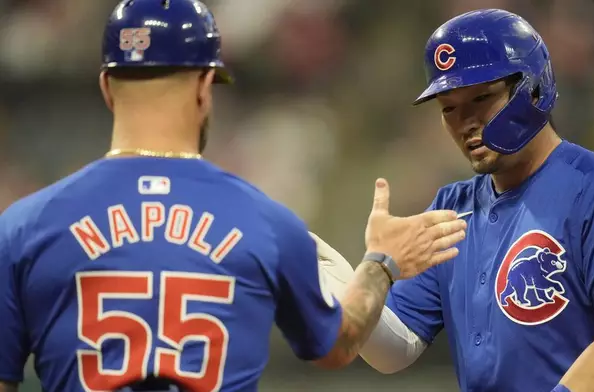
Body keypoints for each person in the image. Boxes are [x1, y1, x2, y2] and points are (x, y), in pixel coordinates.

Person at [0, 1, 468, 391]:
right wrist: (381, 264)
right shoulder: (264, 222)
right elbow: (342, 344)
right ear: (205, 87)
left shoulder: (22, 227)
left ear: (106, 87)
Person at [313, 8, 594, 392]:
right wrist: (368, 269)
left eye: (481, 99)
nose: (465, 122)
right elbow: (396, 347)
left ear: (533, 89)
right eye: (449, 108)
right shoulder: (451, 211)